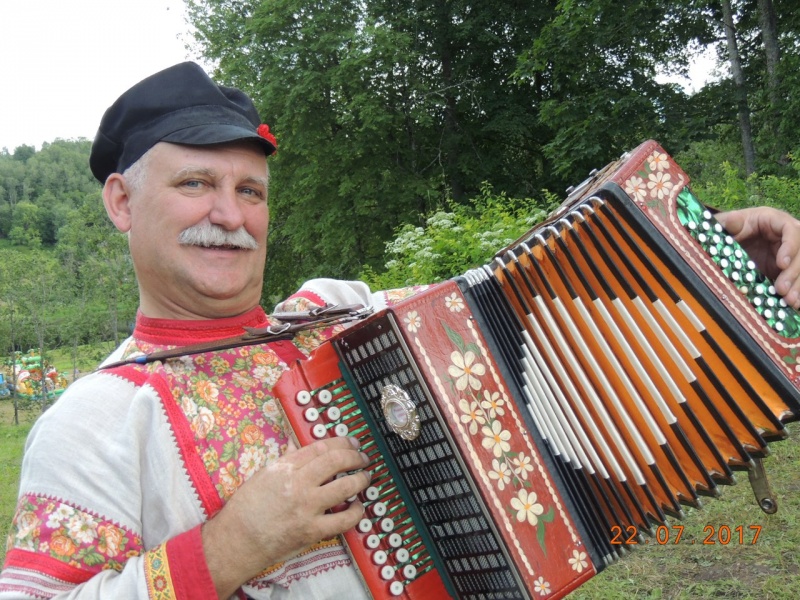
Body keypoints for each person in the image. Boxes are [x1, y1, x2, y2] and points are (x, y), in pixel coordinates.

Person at [1, 62, 800, 600]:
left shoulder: (336, 313)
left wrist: (717, 252)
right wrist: (227, 546)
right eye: (195, 183)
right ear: (119, 203)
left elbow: (525, 297)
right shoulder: (96, 421)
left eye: (251, 190)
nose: (230, 215)